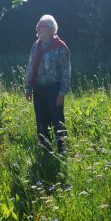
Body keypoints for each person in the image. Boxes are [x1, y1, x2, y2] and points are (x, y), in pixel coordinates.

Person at [25, 14, 71, 153]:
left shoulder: (60, 47)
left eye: (41, 26)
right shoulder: (36, 45)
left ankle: (63, 150)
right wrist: (28, 88)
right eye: (38, 25)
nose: (38, 28)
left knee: (57, 120)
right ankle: (45, 149)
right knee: (41, 119)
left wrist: (62, 92)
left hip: (54, 89)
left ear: (51, 29)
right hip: (38, 88)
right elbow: (30, 66)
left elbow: (65, 71)